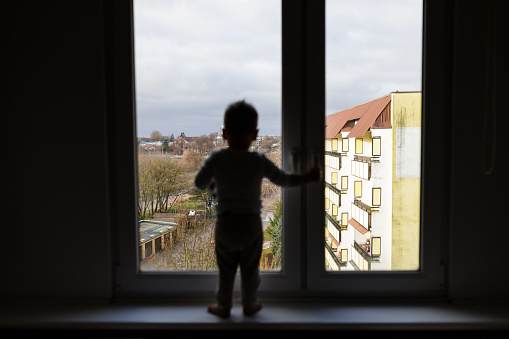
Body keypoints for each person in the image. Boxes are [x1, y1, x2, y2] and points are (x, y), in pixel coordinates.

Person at [195, 100, 320, 318]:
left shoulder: (217, 158)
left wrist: (214, 181)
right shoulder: (259, 161)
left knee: (226, 270)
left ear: (224, 133)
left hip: (225, 223)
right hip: (251, 224)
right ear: (255, 135)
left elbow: (199, 182)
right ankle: (249, 304)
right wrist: (308, 177)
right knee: (250, 269)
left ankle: (223, 306)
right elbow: (284, 180)